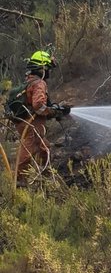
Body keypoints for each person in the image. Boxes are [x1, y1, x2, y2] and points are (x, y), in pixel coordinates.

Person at [9, 50, 70, 184]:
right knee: (28, 149)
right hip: (31, 125)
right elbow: (39, 106)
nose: (48, 72)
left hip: (25, 122)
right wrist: (53, 111)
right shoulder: (39, 83)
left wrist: (54, 109)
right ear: (41, 68)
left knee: (44, 149)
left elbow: (37, 105)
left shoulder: (30, 82)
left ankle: (48, 176)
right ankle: (17, 181)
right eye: (47, 68)